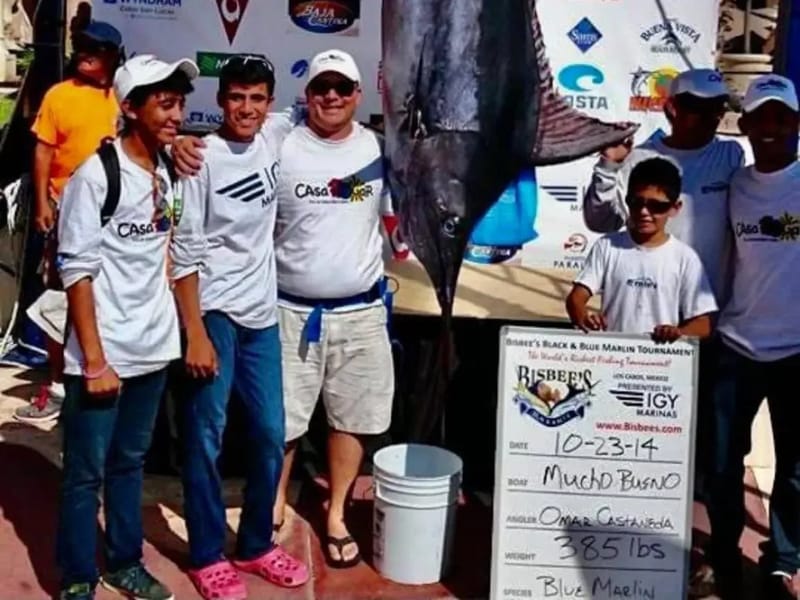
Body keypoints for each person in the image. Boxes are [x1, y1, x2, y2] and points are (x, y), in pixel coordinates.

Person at [54, 53, 198, 600]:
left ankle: (124, 562)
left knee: (129, 466)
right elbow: (77, 269)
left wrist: (182, 335)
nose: (176, 113)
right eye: (164, 102)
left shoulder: (169, 169)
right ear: (132, 108)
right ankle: (75, 577)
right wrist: (94, 359)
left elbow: (181, 253)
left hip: (153, 349)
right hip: (103, 355)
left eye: (179, 102)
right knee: (83, 475)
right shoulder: (96, 176)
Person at [171, 55, 309, 599]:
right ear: (221, 100)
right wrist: (196, 332)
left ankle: (253, 545)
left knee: (272, 435)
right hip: (215, 315)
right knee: (205, 438)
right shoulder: (200, 158)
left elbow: (327, 109)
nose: (246, 109)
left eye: (256, 98)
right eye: (236, 97)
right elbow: (183, 249)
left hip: (262, 315)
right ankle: (206, 553)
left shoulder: (277, 133)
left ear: (269, 103)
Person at [270, 49, 395, 569]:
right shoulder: (278, 140)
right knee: (281, 422)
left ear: (358, 96)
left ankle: (337, 513)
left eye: (343, 88)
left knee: (352, 420)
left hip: (361, 313)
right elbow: (224, 145)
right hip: (287, 310)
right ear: (307, 92)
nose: (331, 97)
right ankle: (272, 503)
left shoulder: (382, 151)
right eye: (322, 86)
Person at [704, 74, 800, 600]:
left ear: (796, 124)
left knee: (796, 470)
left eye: (779, 117)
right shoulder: (734, 184)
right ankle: (721, 555)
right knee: (722, 464)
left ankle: (781, 562)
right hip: (737, 344)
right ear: (743, 126)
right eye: (759, 117)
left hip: (797, 354)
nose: (769, 127)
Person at [15, 20, 123, 424]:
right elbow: (43, 153)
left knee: (103, 298)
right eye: (80, 45)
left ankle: (99, 372)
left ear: (113, 55)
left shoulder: (125, 96)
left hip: (114, 218)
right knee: (56, 302)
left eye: (94, 47)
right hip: (64, 212)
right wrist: (42, 202)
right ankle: (58, 383)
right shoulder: (59, 94)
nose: (84, 52)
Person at [583, 68, 743, 302]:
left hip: (707, 312)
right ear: (672, 108)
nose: (712, 116)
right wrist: (608, 167)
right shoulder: (637, 158)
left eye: (718, 107)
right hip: (644, 307)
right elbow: (600, 223)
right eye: (699, 107)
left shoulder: (732, 155)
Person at [566, 156, 718, 343]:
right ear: (627, 200)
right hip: (610, 357)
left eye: (656, 206)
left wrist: (677, 333)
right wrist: (585, 319)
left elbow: (704, 323)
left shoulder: (685, 258)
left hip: (661, 364)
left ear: (675, 208)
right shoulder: (607, 246)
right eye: (637, 203)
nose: (644, 212)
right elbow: (576, 299)